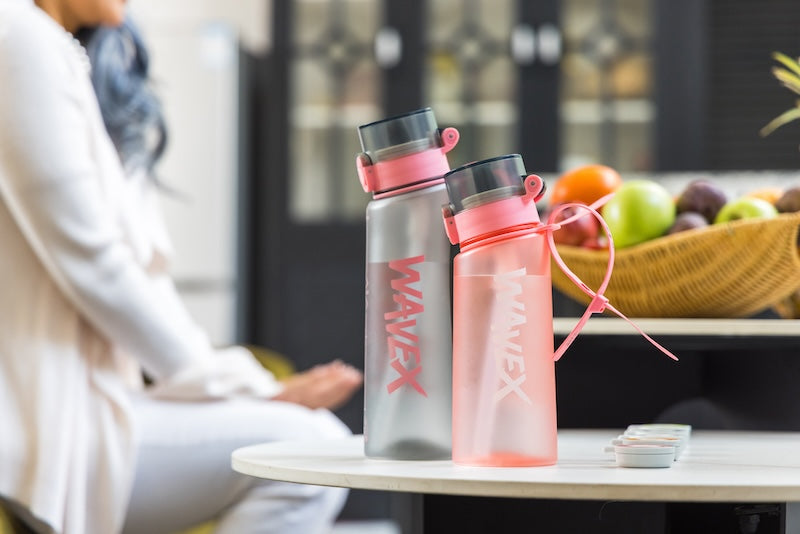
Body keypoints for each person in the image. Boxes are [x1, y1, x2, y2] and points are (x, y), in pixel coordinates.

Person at [0, 1, 363, 533]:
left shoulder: (61, 50)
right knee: (313, 455)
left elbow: (127, 273)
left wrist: (235, 383)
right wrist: (250, 386)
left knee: (314, 447)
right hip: (39, 424)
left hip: (84, 406)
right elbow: (97, 265)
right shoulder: (16, 36)